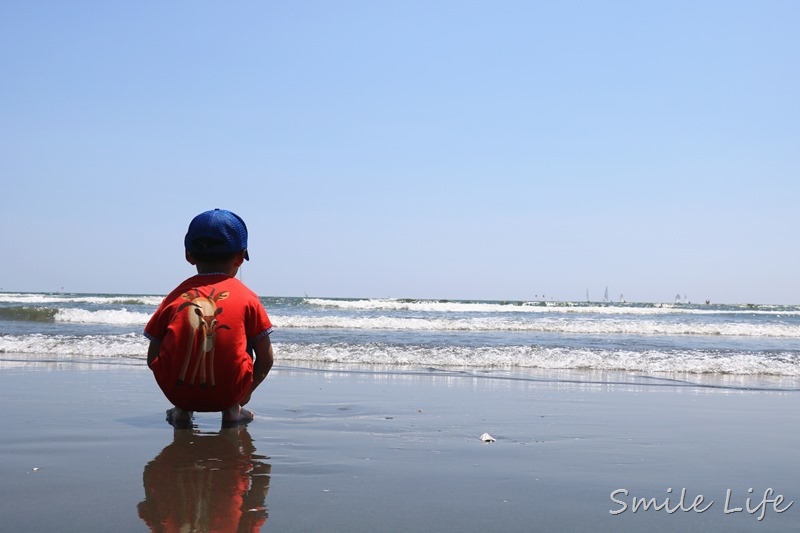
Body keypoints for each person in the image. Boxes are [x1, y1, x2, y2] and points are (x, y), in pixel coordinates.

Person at [144, 208, 274, 426]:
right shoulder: (248, 298)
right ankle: (232, 410)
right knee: (243, 334)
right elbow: (266, 359)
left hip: (177, 392)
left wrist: (176, 389)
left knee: (179, 336)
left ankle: (182, 411)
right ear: (240, 258)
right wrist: (244, 393)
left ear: (188, 255)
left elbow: (152, 357)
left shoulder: (174, 297)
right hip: (228, 393)